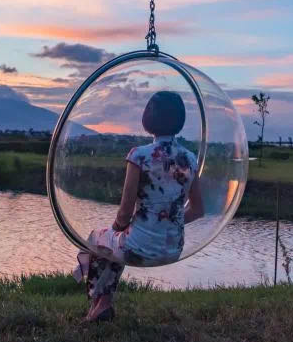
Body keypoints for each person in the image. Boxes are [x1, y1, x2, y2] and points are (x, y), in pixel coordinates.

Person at [74, 90, 204, 323]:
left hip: (140, 247)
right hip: (174, 248)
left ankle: (98, 302)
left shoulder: (139, 156)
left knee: (97, 238)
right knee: (114, 246)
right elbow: (198, 210)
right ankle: (102, 305)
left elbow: (124, 213)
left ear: (149, 117)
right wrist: (167, 222)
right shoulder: (190, 159)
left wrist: (116, 229)